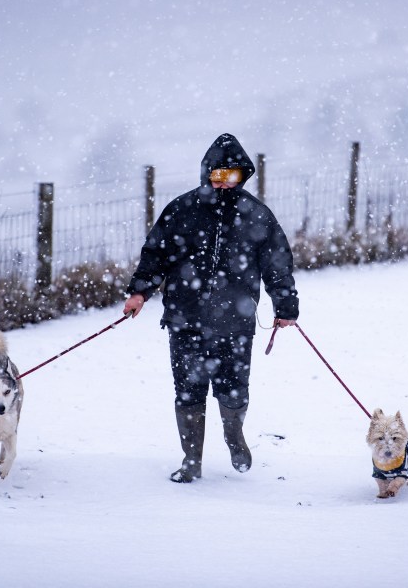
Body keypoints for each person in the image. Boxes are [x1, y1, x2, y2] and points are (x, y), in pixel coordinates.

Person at [123, 133, 299, 483]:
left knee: (233, 387)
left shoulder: (256, 215)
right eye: (217, 176)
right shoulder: (182, 210)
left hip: (236, 320)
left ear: (242, 176)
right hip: (185, 318)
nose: (223, 184)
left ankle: (234, 436)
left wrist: (286, 304)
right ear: (206, 174)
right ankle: (191, 461)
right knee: (188, 390)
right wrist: (140, 291)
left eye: (231, 176)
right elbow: (156, 253)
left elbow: (277, 263)